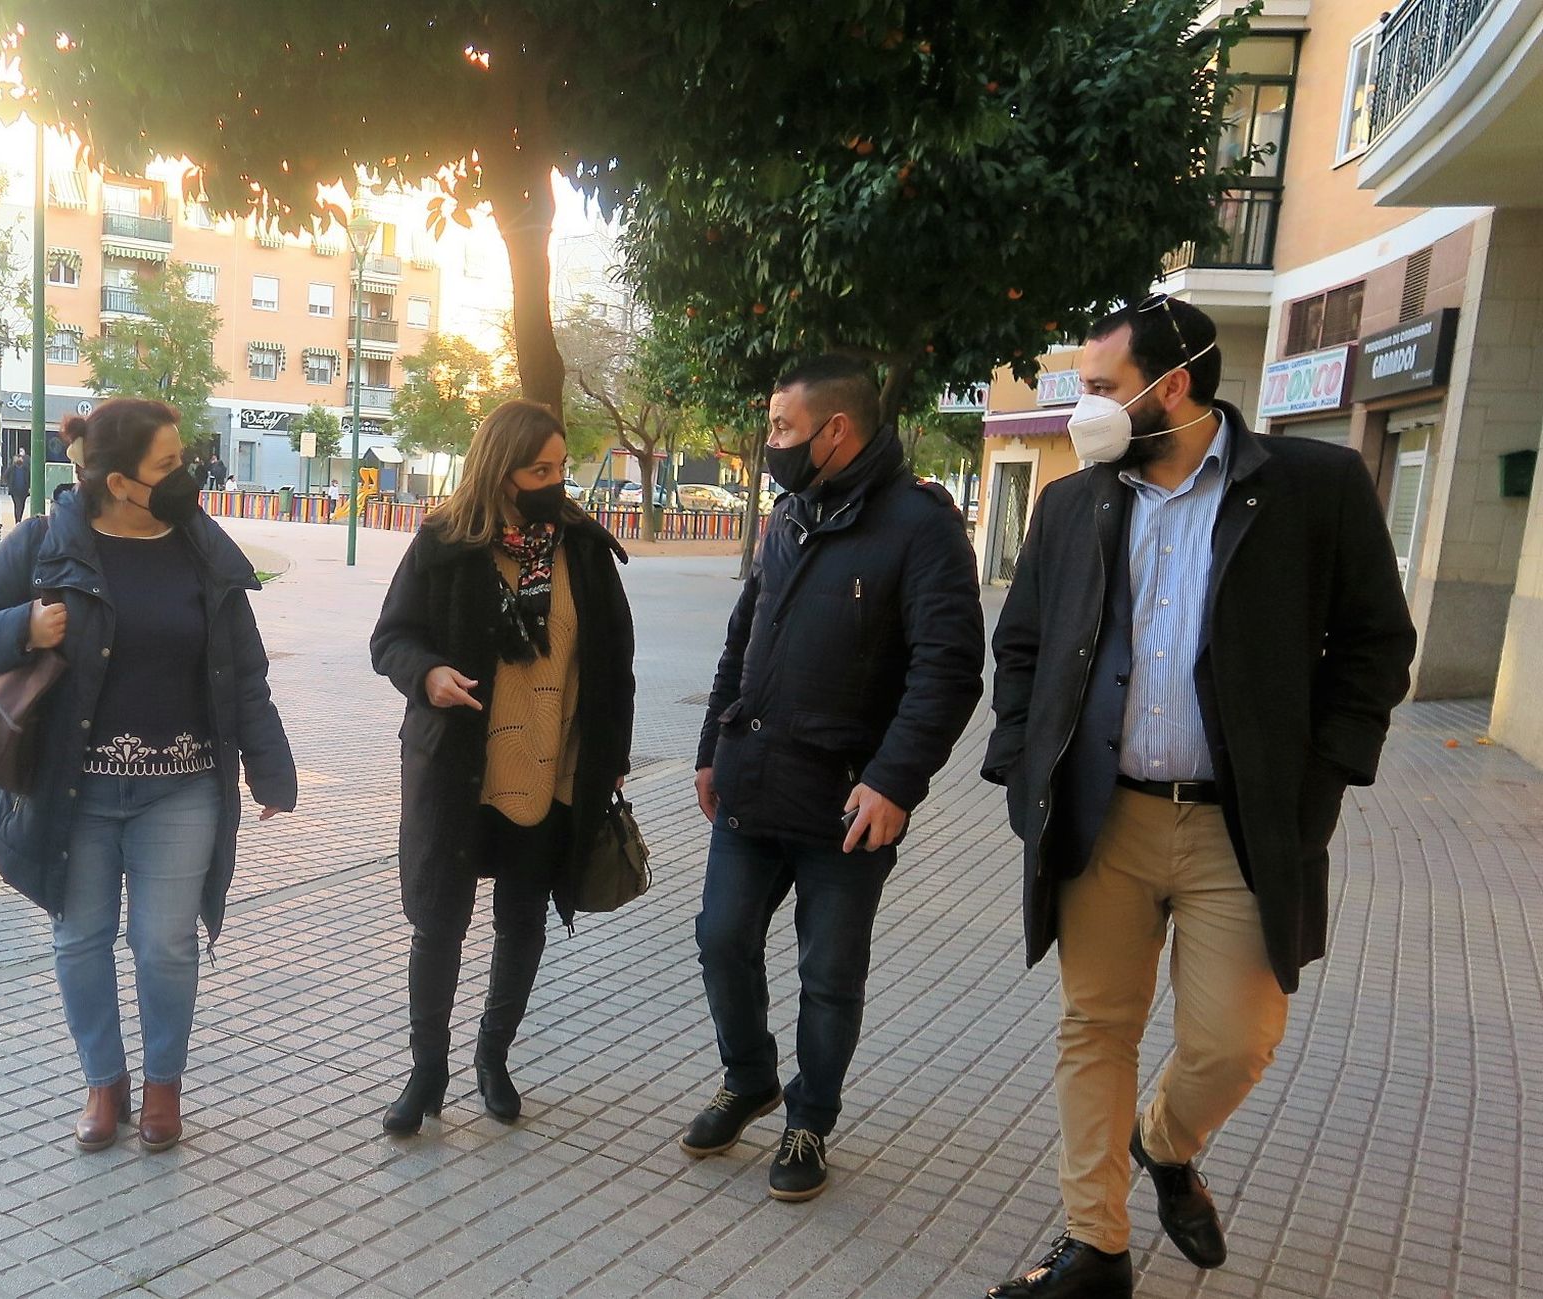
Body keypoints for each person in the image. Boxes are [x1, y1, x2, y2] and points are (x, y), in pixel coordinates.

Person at [980, 297, 1416, 1298]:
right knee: (1095, 1027)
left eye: (1101, 388)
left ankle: (1162, 1144)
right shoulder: (1072, 501)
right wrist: (1020, 762)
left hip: (1242, 824)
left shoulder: (1314, 485)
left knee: (1233, 1043)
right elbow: (1025, 645)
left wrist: (1323, 775)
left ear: (1170, 387)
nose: (1083, 407)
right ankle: (1095, 1246)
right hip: (1101, 818)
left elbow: (1373, 643)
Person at [0, 399, 297, 1154]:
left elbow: (244, 671)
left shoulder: (203, 549)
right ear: (118, 480)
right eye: (170, 465)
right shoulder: (47, 544)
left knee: (165, 943)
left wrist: (271, 769)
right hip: (74, 789)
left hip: (182, 786)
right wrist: (25, 628)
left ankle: (164, 1084)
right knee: (80, 937)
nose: (190, 475)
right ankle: (103, 1082)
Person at [684, 355, 984, 1202]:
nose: (771, 442)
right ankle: (750, 1078)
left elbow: (951, 669)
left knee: (829, 975)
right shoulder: (788, 514)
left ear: (836, 430)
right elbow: (740, 642)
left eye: (781, 428)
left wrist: (893, 781)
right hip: (753, 783)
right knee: (720, 937)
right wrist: (711, 745)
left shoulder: (920, 527)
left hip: (848, 804)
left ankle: (809, 1120)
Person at [370, 399, 635, 1133]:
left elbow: (615, 662)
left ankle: (495, 1056)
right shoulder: (446, 541)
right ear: (500, 468)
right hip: (459, 770)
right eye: (538, 469)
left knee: (522, 919)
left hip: (549, 772)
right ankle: (427, 1070)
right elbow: (390, 638)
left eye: (559, 467)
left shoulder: (579, 546)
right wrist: (427, 674)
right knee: (439, 922)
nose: (555, 481)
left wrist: (610, 756)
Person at [3, 451, 31, 522]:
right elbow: (5, 476)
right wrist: (9, 484)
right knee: (18, 505)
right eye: (18, 458)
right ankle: (18, 520)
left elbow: (29, 478)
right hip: (15, 491)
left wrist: (29, 487)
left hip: (24, 491)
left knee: (22, 506)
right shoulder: (12, 468)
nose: (19, 460)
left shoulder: (26, 469)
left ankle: (19, 519)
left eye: (21, 458)